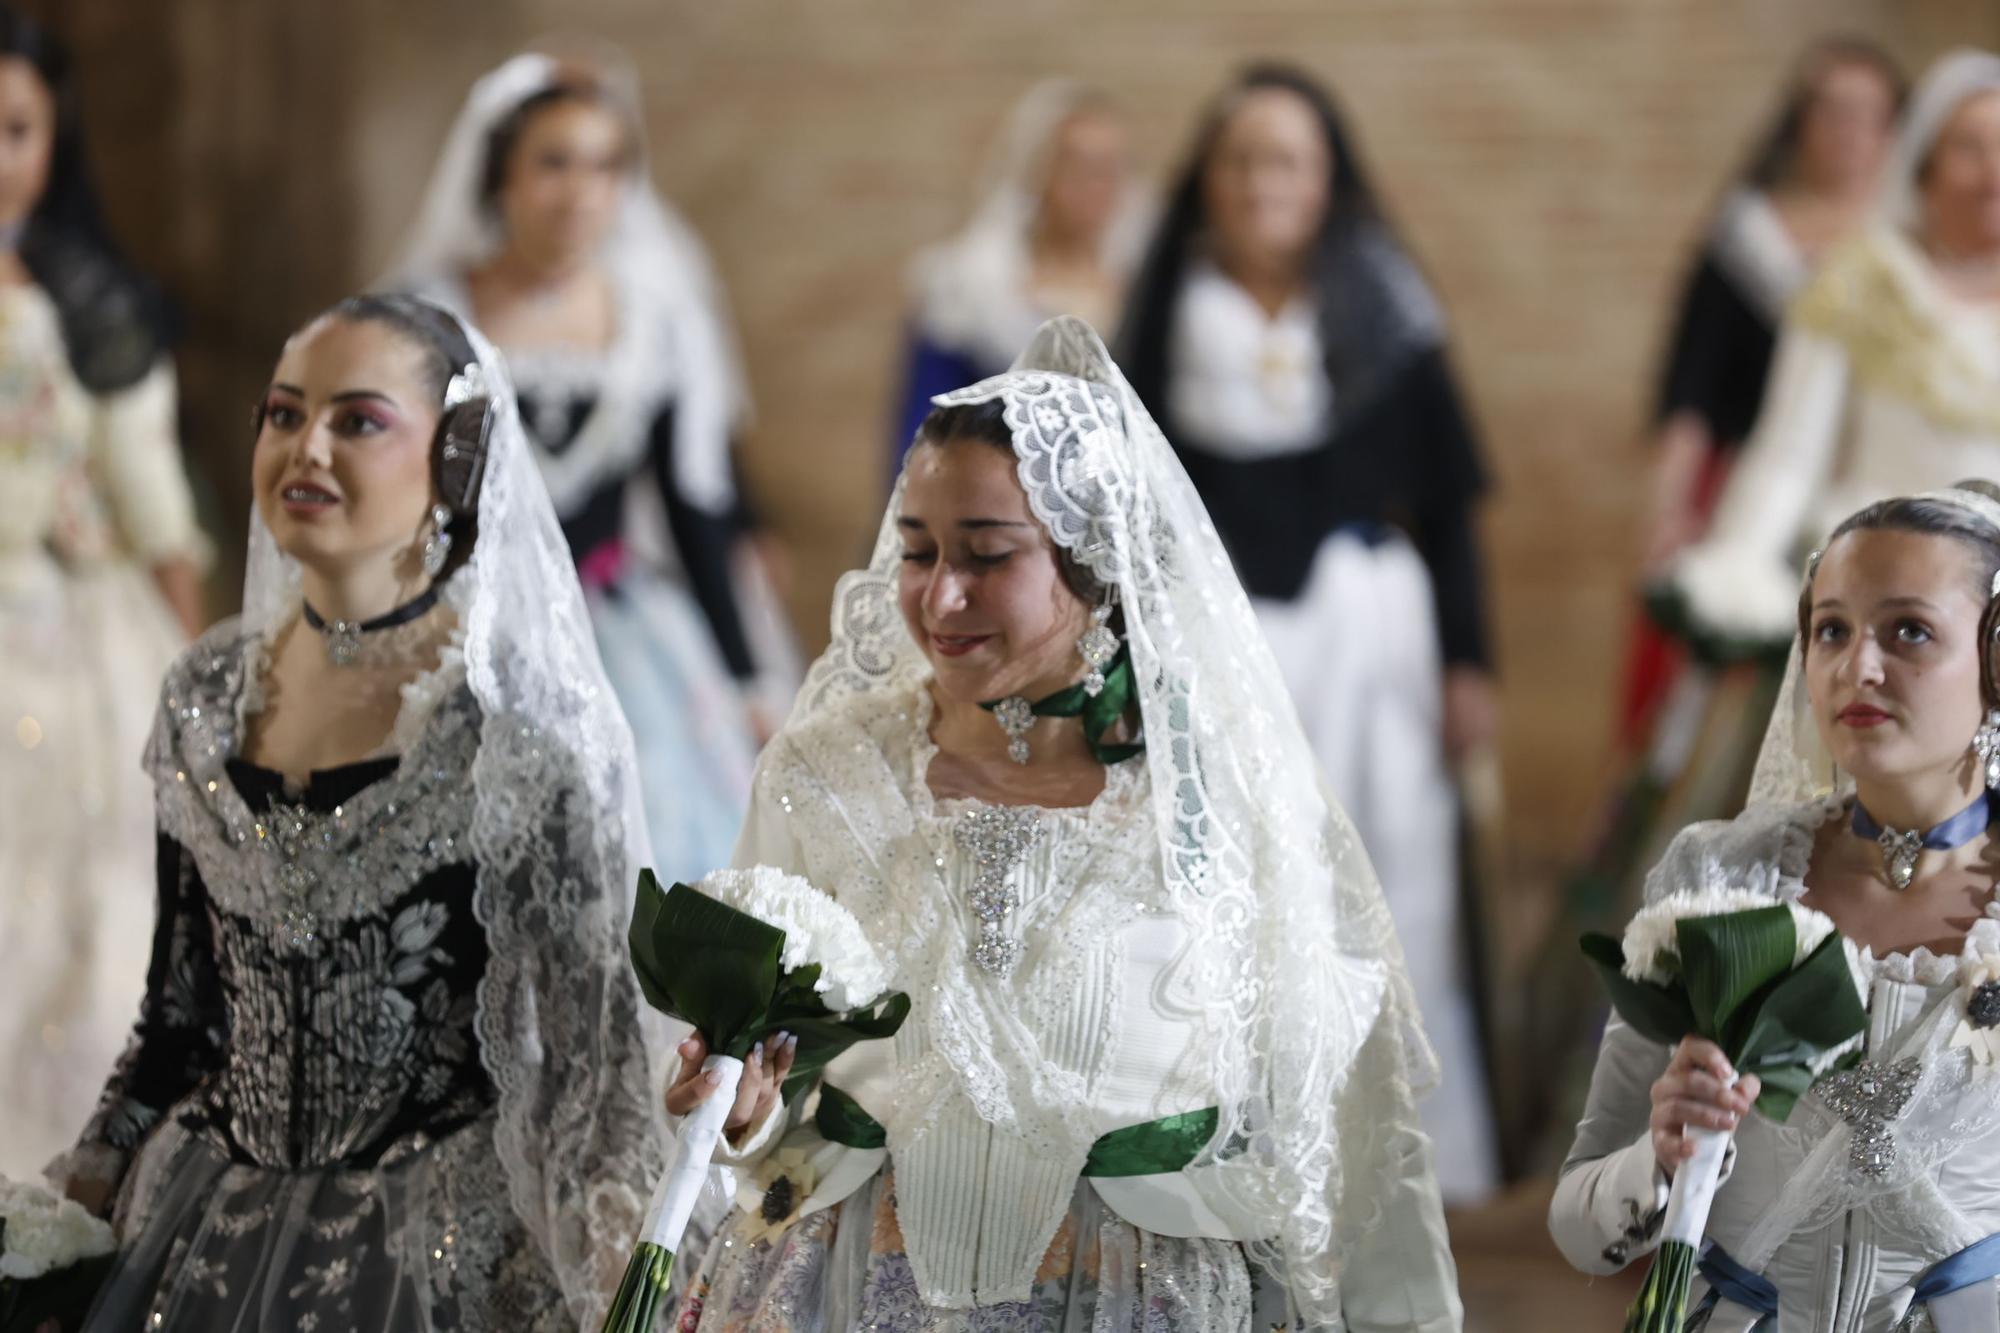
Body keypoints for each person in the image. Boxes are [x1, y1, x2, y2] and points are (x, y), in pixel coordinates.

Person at [664, 317, 1462, 1332]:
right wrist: (738, 1112)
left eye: (986, 554)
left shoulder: (1219, 791)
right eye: (915, 551)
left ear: (1094, 560)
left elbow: (1334, 1099)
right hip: (851, 1285)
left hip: (1132, 1294)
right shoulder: (822, 771)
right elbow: (758, 1062)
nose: (939, 595)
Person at [52, 295, 664, 1330]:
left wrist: (613, 1287)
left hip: (436, 1260)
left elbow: (595, 1079)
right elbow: (175, 1019)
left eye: (359, 420)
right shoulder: (204, 696)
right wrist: (73, 1209)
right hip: (197, 1235)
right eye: (284, 414)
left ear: (456, 461)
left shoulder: (518, 727)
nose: (308, 446)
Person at [1117, 62, 1499, 1200]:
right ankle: (1230, 1137)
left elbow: (1448, 503)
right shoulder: (1160, 312)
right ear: (1207, 179)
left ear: (1326, 180)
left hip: (1364, 634)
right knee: (1223, 878)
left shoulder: (1384, 307)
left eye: (1285, 160)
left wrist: (1469, 662)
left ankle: (1390, 1148)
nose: (1260, 182)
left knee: (1380, 875)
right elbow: (1117, 506)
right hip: (1215, 641)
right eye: (1238, 159)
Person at [1554, 482, 2000, 1329]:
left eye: (1909, 629)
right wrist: (1662, 1154)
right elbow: (1578, 1230)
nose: (1855, 666)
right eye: (1831, 628)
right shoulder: (1721, 874)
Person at [391, 51, 783, 885]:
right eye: (553, 163)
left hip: (619, 634)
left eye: (605, 166)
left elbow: (691, 505)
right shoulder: (433, 316)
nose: (580, 192)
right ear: (500, 178)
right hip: (463, 627)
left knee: (649, 853)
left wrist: (747, 674)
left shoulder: (650, 322)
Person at [0, 7, 209, 1181]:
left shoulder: (92, 297)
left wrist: (205, 667)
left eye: (16, 129)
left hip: (75, 636)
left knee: (89, 923)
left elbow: (149, 497)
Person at [891, 77, 1151, 468]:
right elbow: (927, 430)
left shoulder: (1145, 285)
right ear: (1039, 172)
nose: (1098, 186)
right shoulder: (970, 290)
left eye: (1111, 168)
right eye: (1079, 167)